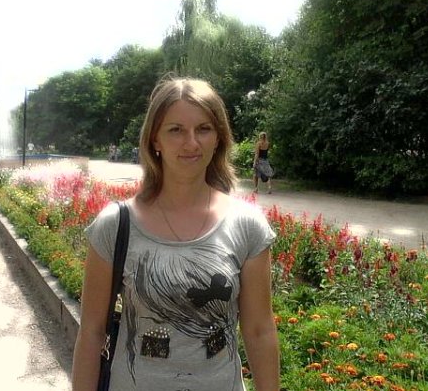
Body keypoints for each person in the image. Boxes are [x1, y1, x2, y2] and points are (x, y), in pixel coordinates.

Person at [72, 77, 280, 391]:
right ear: (155, 140)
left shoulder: (246, 225)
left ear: (218, 138)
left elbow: (260, 332)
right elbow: (91, 333)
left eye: (203, 129)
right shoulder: (115, 225)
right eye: (176, 130)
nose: (191, 143)